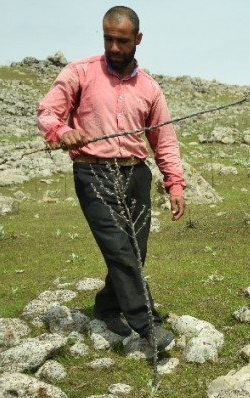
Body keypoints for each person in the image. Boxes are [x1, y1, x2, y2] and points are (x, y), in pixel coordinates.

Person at [38, 5, 185, 351]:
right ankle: (147, 324)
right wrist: (62, 132)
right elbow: (48, 112)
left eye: (122, 40)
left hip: (136, 175)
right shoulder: (80, 72)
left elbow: (163, 139)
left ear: (138, 39)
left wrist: (174, 183)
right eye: (108, 39)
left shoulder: (150, 88)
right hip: (93, 173)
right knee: (121, 249)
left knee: (136, 250)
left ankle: (107, 305)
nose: (114, 47)